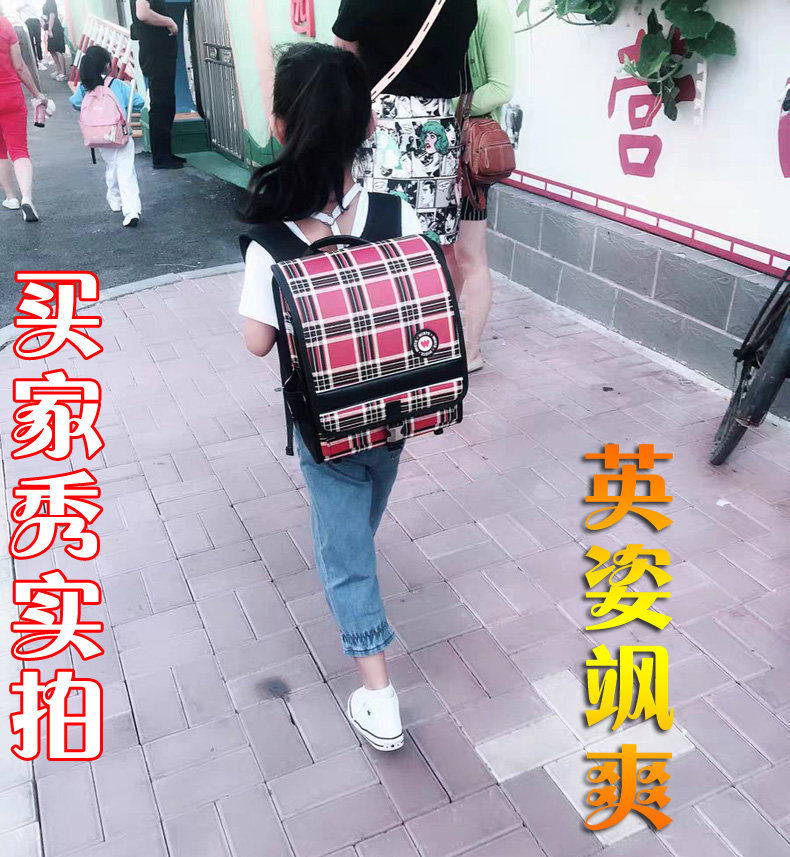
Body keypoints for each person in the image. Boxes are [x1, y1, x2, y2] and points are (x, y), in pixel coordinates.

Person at [238, 43, 425, 753]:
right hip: (395, 417)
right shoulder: (397, 215)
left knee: (345, 556)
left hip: (327, 428)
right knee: (354, 530)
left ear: (281, 128)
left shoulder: (272, 242)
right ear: (367, 126)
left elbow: (257, 343)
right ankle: (351, 569)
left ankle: (379, 696)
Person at [333, 0, 477, 286]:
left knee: (369, 234)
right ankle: (441, 312)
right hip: (437, 125)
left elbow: (342, 52)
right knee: (438, 243)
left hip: (379, 122)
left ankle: (380, 308)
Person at [455, 0, 515, 372]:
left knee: (469, 253)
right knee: (444, 253)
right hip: (436, 147)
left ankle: (471, 351)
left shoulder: (489, 9)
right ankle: (443, 339)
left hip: (468, 152)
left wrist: (439, 107)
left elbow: (501, 87)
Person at [70, 45, 144, 227]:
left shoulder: (85, 87)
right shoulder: (118, 85)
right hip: (121, 135)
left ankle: (114, 197)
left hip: (99, 136)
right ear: (108, 65)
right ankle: (131, 210)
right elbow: (139, 102)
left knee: (112, 165)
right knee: (126, 170)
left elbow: (76, 103)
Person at [0, 11, 46, 221]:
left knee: (0, 152)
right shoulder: (5, 25)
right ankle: (27, 198)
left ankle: (11, 197)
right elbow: (19, 65)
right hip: (11, 95)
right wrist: (37, 93)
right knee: (19, 150)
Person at [130, 0, 184, 169]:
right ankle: (161, 157)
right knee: (161, 104)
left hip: (159, 54)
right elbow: (143, 14)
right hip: (157, 55)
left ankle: (165, 153)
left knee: (165, 104)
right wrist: (169, 22)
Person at [42, 0, 65, 80]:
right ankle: (58, 69)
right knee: (51, 50)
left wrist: (50, 29)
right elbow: (45, 17)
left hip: (56, 29)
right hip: (50, 28)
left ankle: (63, 73)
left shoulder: (51, 2)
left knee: (58, 50)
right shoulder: (45, 4)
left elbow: (52, 15)